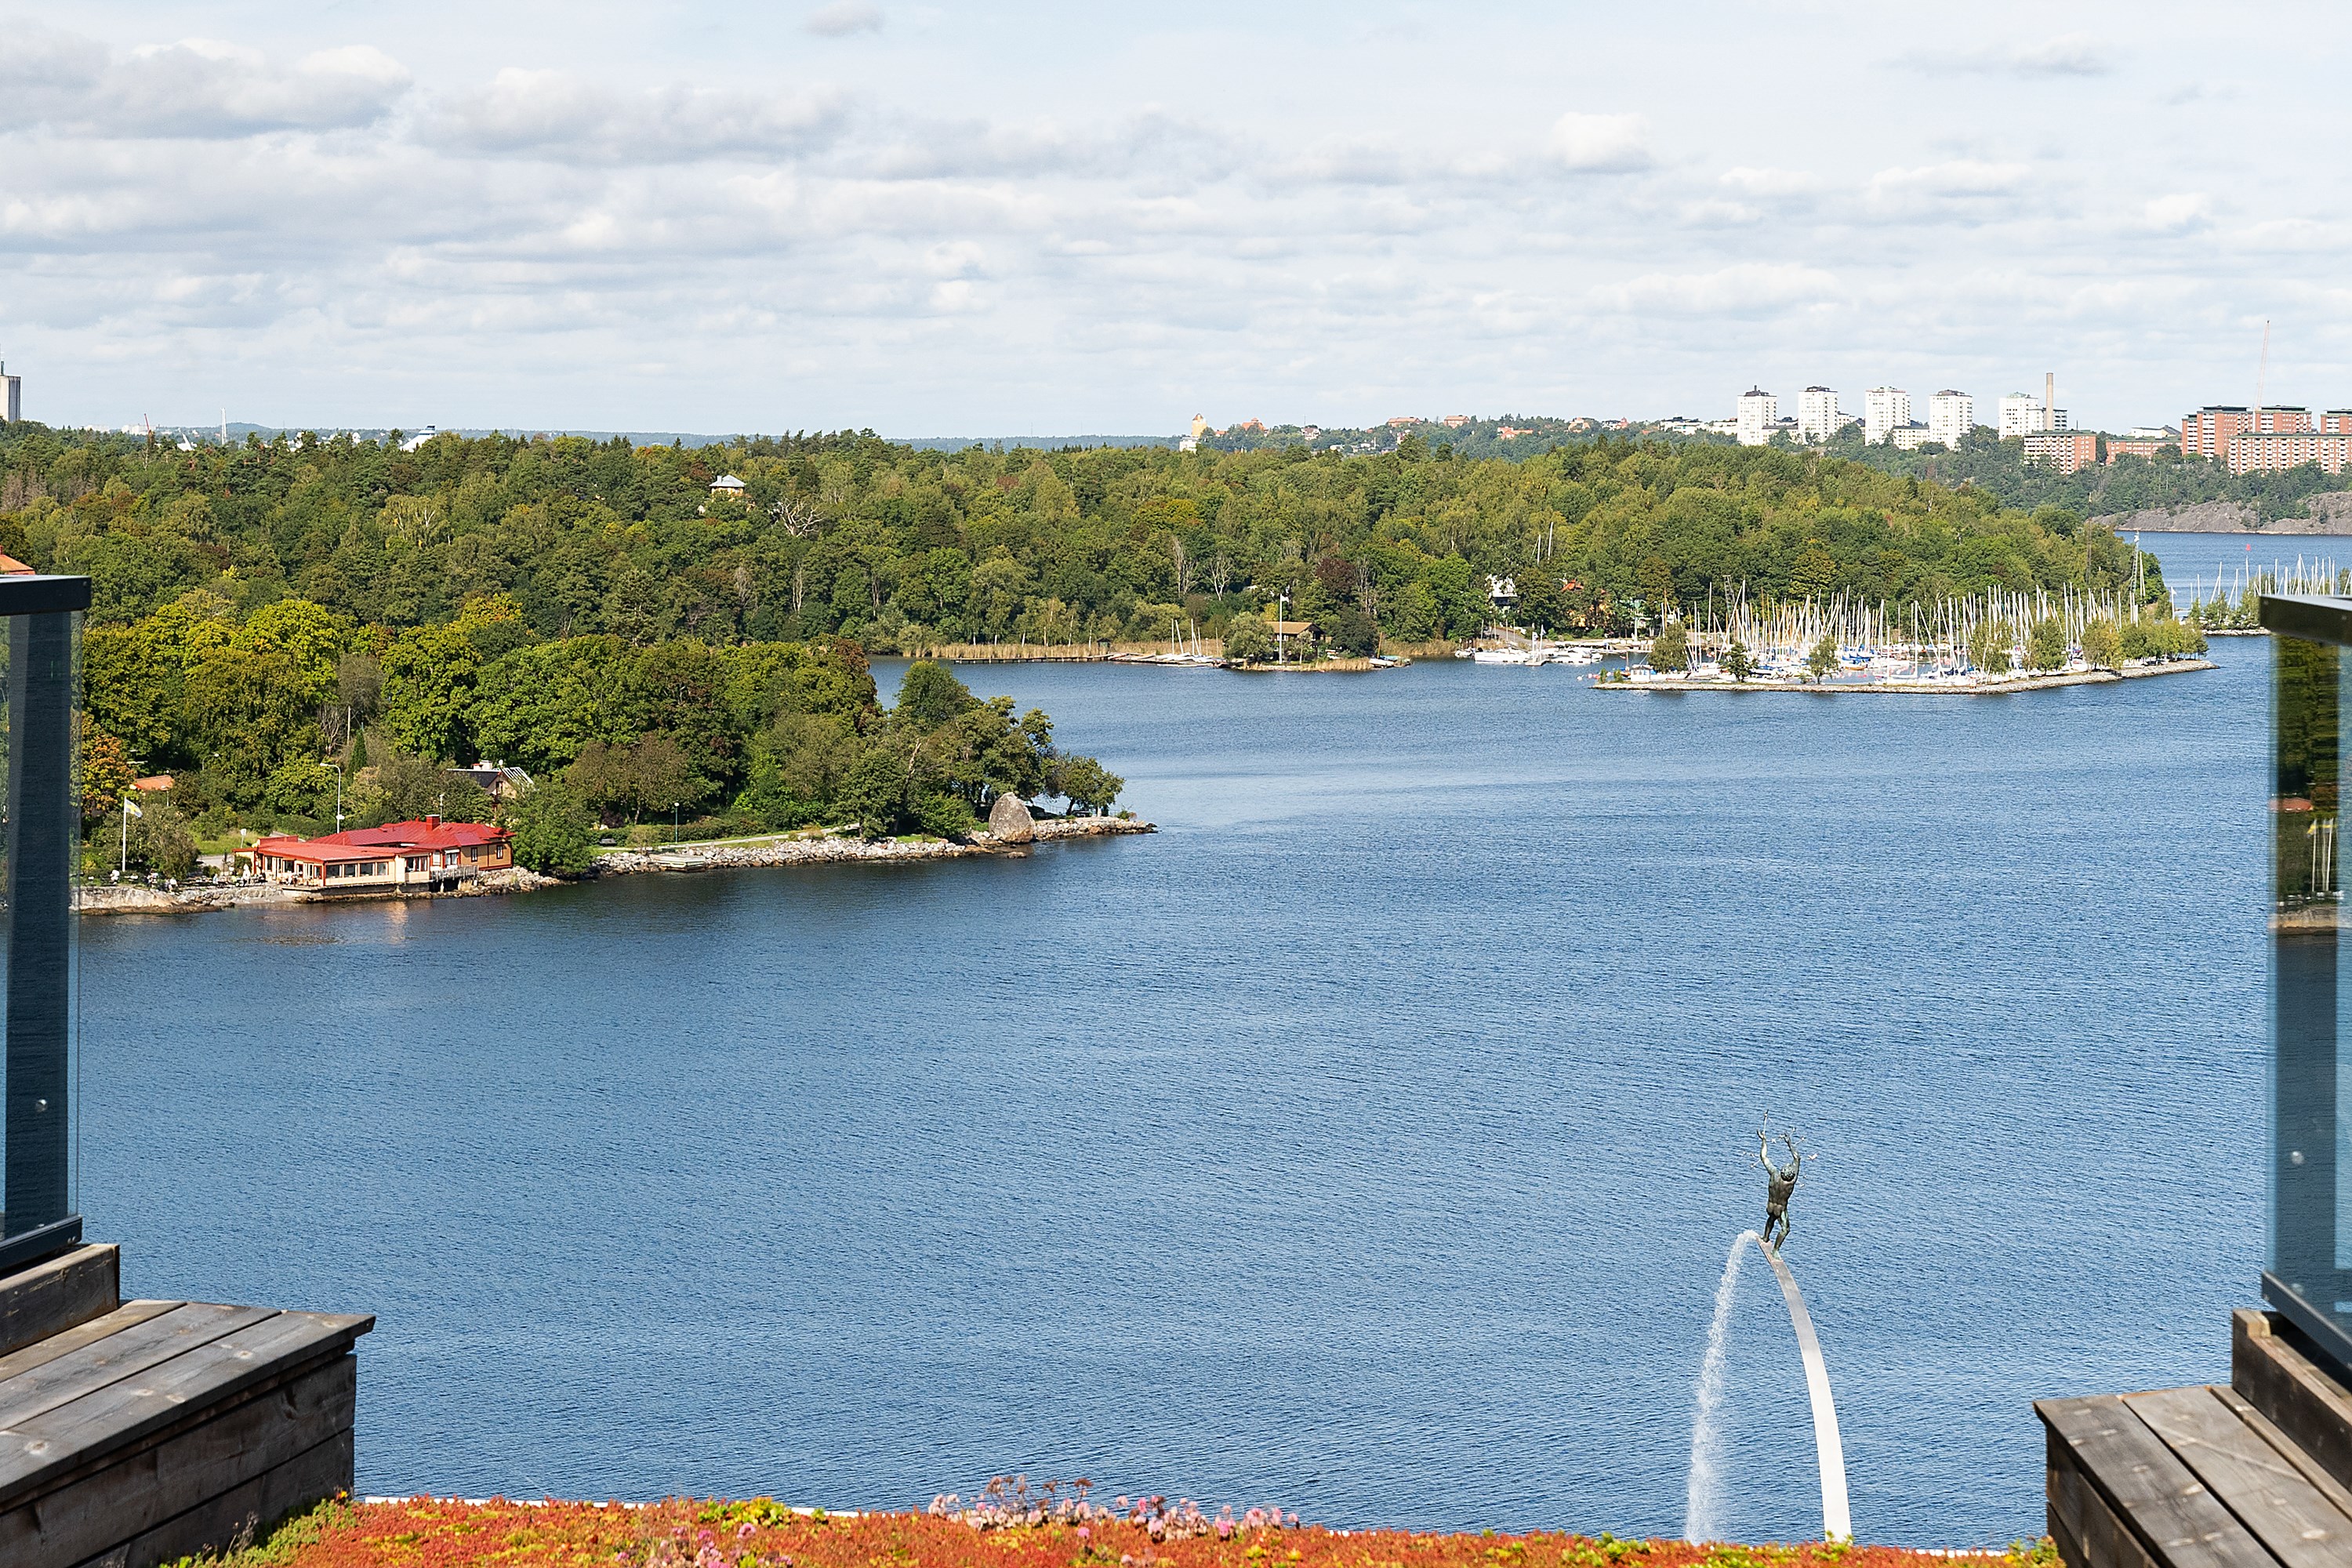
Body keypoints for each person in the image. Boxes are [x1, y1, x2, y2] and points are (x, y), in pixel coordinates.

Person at [1758, 1128, 1806, 1251]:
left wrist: (1764, 1141)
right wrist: (1789, 1143)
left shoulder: (1774, 1174)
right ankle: (1775, 1250)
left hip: (1770, 1207)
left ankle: (1765, 1237)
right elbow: (1797, 1158)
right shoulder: (1791, 1182)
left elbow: (1763, 1157)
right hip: (1780, 1209)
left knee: (1771, 1218)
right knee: (1785, 1229)